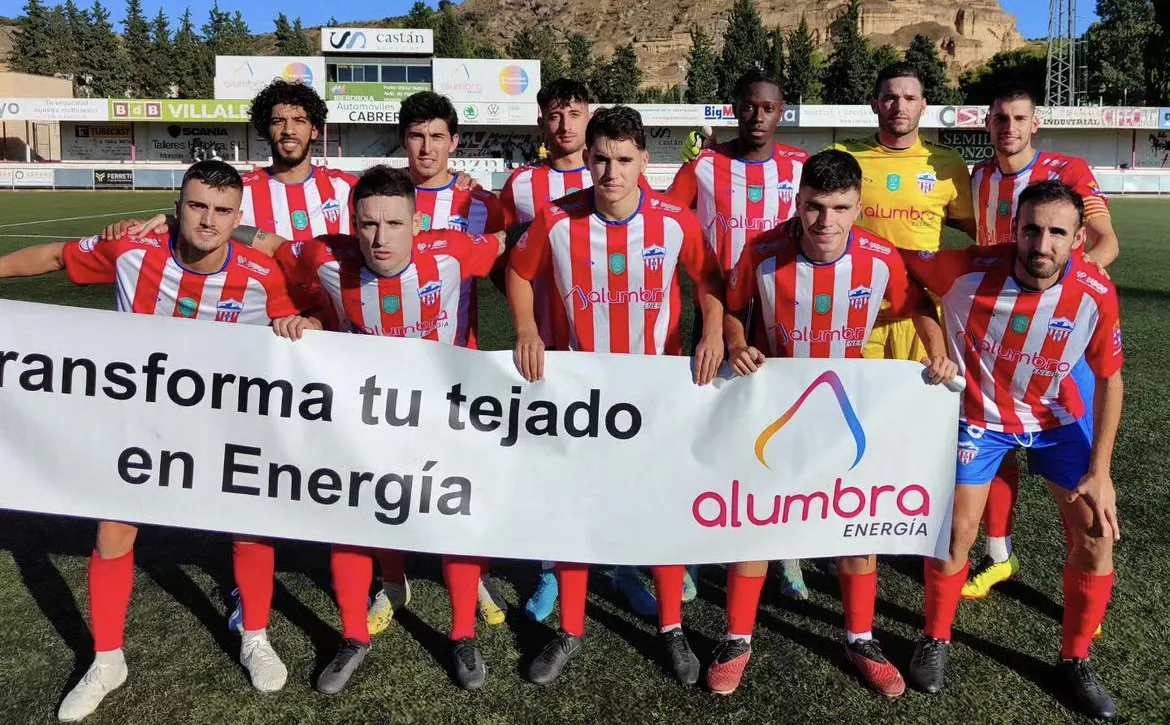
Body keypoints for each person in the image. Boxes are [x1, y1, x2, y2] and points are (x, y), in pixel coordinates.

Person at [0, 161, 312, 722]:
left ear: (237, 218)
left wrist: (304, 326)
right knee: (113, 530)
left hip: (225, 425)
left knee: (251, 525)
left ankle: (255, 635)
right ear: (176, 209)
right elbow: (54, 257)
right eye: (197, 206)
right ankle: (107, 660)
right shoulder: (132, 252)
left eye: (221, 211)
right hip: (140, 424)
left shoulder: (261, 275)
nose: (208, 220)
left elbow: (303, 325)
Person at [230, 165, 512, 692]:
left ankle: (462, 635)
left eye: (394, 223)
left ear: (416, 223)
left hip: (443, 415)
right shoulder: (327, 256)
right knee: (355, 523)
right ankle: (354, 635)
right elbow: (269, 242)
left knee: (455, 520)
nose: (380, 238)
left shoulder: (452, 252)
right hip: (365, 416)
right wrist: (173, 224)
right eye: (368, 224)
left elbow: (509, 239)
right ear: (352, 223)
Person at [712, 149, 955, 698]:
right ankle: (737, 638)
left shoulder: (880, 258)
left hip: (848, 413)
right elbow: (732, 305)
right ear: (798, 202)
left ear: (858, 207)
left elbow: (917, 306)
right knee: (756, 525)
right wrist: (737, 342)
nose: (827, 221)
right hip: (773, 413)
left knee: (855, 527)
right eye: (816, 206)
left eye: (841, 208)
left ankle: (860, 638)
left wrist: (937, 353)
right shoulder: (762, 251)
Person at [507, 105, 725, 687]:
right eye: (601, 159)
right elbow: (519, 272)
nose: (611, 172)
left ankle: (671, 627)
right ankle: (571, 630)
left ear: (644, 162)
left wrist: (712, 329)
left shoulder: (675, 220)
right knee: (575, 513)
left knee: (659, 510)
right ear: (588, 157)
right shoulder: (557, 219)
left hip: (656, 393)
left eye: (624, 159)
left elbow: (708, 278)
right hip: (581, 395)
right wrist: (526, 329)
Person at [902, 180, 1123, 720]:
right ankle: (935, 637)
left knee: (1097, 536)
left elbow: (1110, 379)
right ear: (1014, 229)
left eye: (1057, 233)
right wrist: (936, 344)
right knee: (956, 534)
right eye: (1031, 230)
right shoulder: (967, 268)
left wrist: (1101, 471)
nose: (1041, 245)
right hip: (980, 418)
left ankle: (1075, 660)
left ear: (1077, 239)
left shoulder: (1094, 291)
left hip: (1056, 420)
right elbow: (901, 271)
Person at [812, 61, 976, 591]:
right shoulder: (849, 157)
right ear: (875, 104)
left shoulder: (947, 165)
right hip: (852, 318)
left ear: (924, 105)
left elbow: (978, 233)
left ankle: (906, 525)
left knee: (916, 430)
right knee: (848, 425)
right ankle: (842, 525)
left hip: (919, 318)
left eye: (909, 97)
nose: (899, 106)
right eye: (889, 97)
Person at [962, 82, 1121, 602]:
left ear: (1035, 123)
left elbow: (1106, 241)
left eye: (1018, 118)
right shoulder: (978, 176)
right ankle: (998, 556)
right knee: (994, 445)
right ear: (987, 123)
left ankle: (1086, 579)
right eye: (999, 118)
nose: (1008, 127)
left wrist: (1064, 293)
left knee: (1072, 469)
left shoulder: (1068, 169)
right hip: (995, 337)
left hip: (1053, 337)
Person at [667, 68, 811, 599]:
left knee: (778, 430)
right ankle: (693, 548)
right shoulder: (704, 165)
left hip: (778, 316)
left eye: (768, 108)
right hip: (714, 315)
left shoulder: (801, 166)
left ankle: (783, 548)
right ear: (734, 109)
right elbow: (663, 214)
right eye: (749, 106)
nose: (758, 116)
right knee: (706, 427)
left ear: (781, 112)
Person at [396, 90, 511, 626]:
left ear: (454, 142)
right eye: (417, 136)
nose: (427, 147)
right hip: (389, 367)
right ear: (403, 140)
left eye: (437, 136)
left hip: (458, 363)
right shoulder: (377, 194)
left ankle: (475, 574)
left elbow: (516, 259)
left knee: (463, 476)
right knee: (390, 473)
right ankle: (391, 580)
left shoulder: (479, 204)